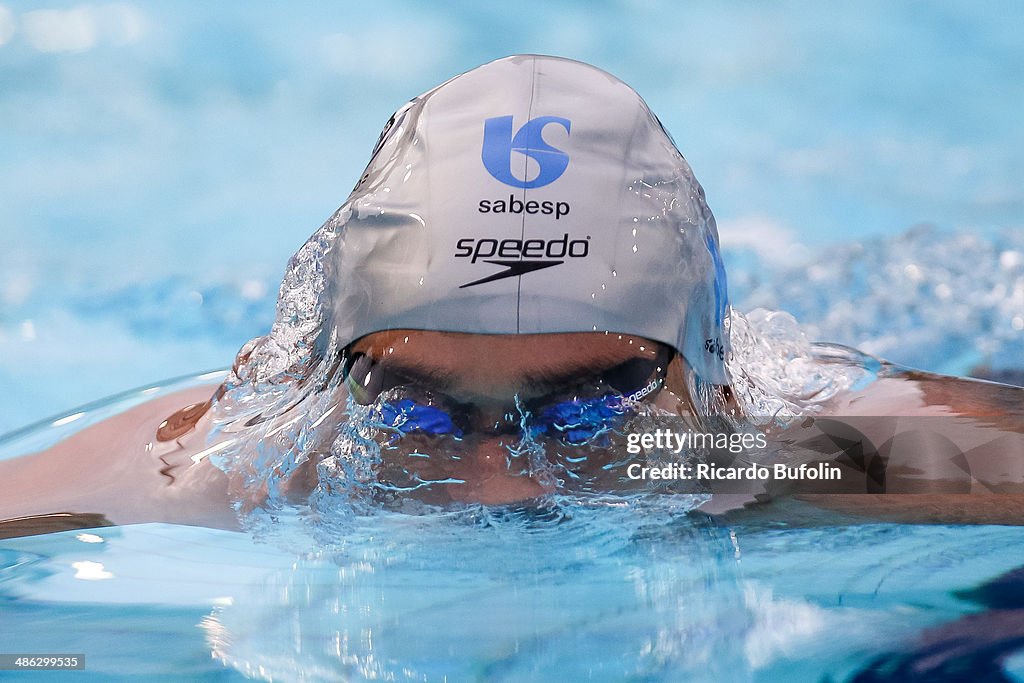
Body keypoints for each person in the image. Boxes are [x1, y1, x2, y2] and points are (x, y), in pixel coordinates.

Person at [1, 55, 1022, 539]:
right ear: (329, 377)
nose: (503, 483)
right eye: (415, 407)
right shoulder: (249, 464)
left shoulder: (760, 448)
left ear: (702, 385)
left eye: (587, 409)